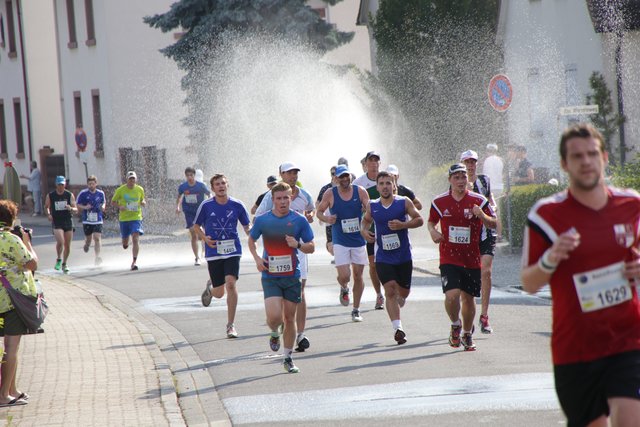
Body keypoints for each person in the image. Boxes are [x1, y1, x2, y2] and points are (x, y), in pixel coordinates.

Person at [521, 123, 640, 427]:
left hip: (628, 342)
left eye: (592, 153)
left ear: (604, 157)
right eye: (577, 156)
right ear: (564, 163)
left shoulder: (632, 205)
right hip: (575, 349)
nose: (586, 161)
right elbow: (529, 283)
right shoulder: (546, 215)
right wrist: (550, 259)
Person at [427, 163, 496, 351]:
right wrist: (433, 231)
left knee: (468, 298)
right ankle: (455, 324)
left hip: (471, 258)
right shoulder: (440, 201)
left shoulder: (479, 200)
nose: (460, 181)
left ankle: (466, 333)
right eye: (456, 177)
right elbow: (431, 221)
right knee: (452, 296)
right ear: (449, 180)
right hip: (449, 257)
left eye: (463, 177)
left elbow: (494, 223)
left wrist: (482, 215)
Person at [248, 182, 314, 373]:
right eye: (279, 198)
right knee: (275, 317)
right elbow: (251, 240)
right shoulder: (263, 220)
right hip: (270, 275)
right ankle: (274, 331)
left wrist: (298, 245)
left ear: (291, 198)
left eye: (286, 197)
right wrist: (257, 259)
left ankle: (288, 358)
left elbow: (311, 246)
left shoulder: (299, 220)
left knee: (289, 317)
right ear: (273, 200)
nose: (283, 201)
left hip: (292, 275)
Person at [361, 171, 423, 344]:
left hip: (403, 256)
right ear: (377, 187)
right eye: (381, 184)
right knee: (389, 290)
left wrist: (403, 224)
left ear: (394, 185)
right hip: (383, 257)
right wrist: (363, 231)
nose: (385, 187)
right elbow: (365, 221)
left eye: (388, 183)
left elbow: (419, 220)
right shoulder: (373, 205)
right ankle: (398, 328)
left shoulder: (404, 202)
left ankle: (401, 297)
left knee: (403, 293)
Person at [194, 174, 250, 338]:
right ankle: (211, 290)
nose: (221, 186)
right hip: (214, 252)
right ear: (212, 188)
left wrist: (253, 233)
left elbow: (247, 226)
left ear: (227, 185)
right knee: (219, 293)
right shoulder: (206, 205)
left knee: (231, 284)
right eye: (217, 184)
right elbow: (196, 226)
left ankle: (230, 325)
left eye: (223, 183)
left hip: (233, 250)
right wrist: (205, 238)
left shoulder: (237, 205)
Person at [316, 164, 369, 322]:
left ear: (350, 176)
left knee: (358, 275)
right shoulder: (330, 193)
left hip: (358, 239)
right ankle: (344, 287)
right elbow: (319, 212)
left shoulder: (360, 191)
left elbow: (370, 208)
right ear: (336, 179)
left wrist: (366, 212)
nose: (345, 179)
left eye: (346, 176)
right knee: (345, 276)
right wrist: (327, 218)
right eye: (341, 177)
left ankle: (356, 309)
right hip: (340, 239)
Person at [0, 200, 38, 407]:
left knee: (7, 348)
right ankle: (3, 395)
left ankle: (12, 390)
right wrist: (27, 242)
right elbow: (32, 264)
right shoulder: (11, 240)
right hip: (12, 300)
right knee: (11, 348)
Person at [460, 150, 497, 334]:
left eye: (473, 162)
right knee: (467, 277)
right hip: (467, 236)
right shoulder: (458, 183)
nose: (470, 165)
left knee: (486, 271)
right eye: (467, 162)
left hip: (485, 233)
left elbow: (491, 200)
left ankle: (484, 315)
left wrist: (493, 207)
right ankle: (468, 314)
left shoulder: (484, 181)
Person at [353, 151, 385, 310]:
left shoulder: (385, 179)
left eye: (376, 160)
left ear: (379, 163)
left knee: (387, 263)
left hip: (386, 228)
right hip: (370, 229)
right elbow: (352, 203)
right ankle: (379, 294)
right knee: (373, 265)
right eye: (371, 160)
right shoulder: (359, 183)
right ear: (365, 163)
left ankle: (391, 289)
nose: (374, 163)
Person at [111, 171, 146, 271]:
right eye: (130, 179)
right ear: (127, 179)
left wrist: (143, 202)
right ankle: (126, 241)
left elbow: (142, 199)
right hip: (124, 218)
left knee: (135, 237)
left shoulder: (140, 189)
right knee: (125, 244)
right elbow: (113, 202)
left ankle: (134, 262)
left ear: (136, 179)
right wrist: (120, 206)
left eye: (133, 179)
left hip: (136, 217)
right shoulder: (120, 190)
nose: (132, 181)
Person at [176, 167, 211, 265]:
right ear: (185, 176)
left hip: (200, 211)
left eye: (191, 175)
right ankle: (197, 257)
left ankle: (204, 251)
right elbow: (179, 196)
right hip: (189, 212)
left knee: (203, 232)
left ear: (194, 175)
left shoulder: (201, 186)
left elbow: (209, 194)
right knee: (193, 233)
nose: (189, 177)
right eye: (187, 175)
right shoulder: (183, 186)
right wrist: (177, 207)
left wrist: (211, 203)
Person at [45, 176, 77, 274]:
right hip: (57, 221)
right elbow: (46, 207)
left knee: (67, 245)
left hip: (67, 220)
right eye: (59, 184)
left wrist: (71, 208)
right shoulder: (51, 195)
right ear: (56, 184)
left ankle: (65, 263)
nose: (61, 186)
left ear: (65, 184)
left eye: (62, 184)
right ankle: (59, 258)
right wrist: (49, 214)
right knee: (61, 241)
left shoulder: (69, 195)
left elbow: (76, 209)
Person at [76, 175, 106, 266]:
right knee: (89, 239)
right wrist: (85, 207)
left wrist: (103, 207)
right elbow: (78, 204)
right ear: (87, 184)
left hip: (98, 219)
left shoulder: (100, 193)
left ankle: (97, 257)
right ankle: (87, 244)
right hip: (87, 220)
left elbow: (103, 202)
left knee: (97, 238)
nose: (91, 185)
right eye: (89, 184)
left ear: (96, 184)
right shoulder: (83, 193)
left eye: (93, 184)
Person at [316, 166, 338, 256]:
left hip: (343, 220)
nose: (335, 176)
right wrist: (321, 215)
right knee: (331, 246)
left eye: (337, 173)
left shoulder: (346, 187)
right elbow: (318, 202)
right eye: (333, 174)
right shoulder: (326, 188)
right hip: (329, 220)